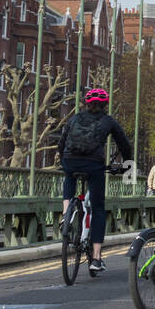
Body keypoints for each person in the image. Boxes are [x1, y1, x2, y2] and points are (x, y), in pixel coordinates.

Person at [58, 88, 133, 276]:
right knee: (98, 208)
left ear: (86, 104)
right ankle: (97, 258)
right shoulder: (108, 121)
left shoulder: (74, 118)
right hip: (93, 164)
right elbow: (124, 144)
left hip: (69, 160)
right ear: (105, 105)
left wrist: (63, 160)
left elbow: (62, 141)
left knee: (69, 176)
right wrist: (127, 165)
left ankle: (66, 213)